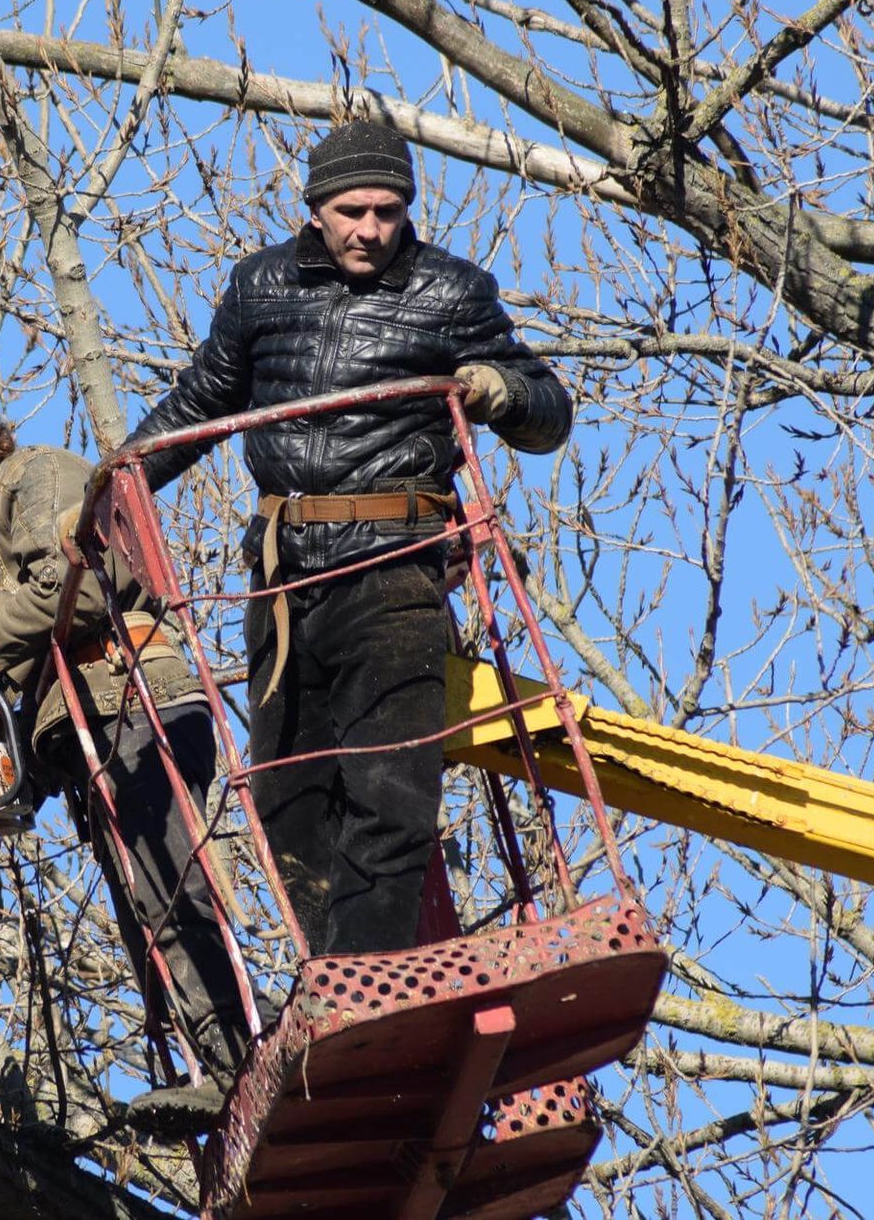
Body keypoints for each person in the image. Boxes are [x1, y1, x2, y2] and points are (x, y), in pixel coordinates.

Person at [123, 119, 573, 962]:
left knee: (389, 784)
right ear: (315, 210)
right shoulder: (261, 286)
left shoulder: (453, 292)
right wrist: (116, 486)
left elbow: (549, 411)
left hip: (392, 568)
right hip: (284, 581)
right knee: (287, 794)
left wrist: (495, 387)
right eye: (353, 210)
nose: (371, 229)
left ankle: (366, 979)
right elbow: (200, 404)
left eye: (389, 211)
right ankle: (332, 973)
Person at [0, 369, 251, 1129]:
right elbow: (45, 673)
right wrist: (7, 772)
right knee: (144, 922)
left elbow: (79, 585)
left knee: (167, 891)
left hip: (135, 702)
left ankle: (243, 1063)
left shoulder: (37, 475)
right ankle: (221, 1072)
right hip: (93, 730)